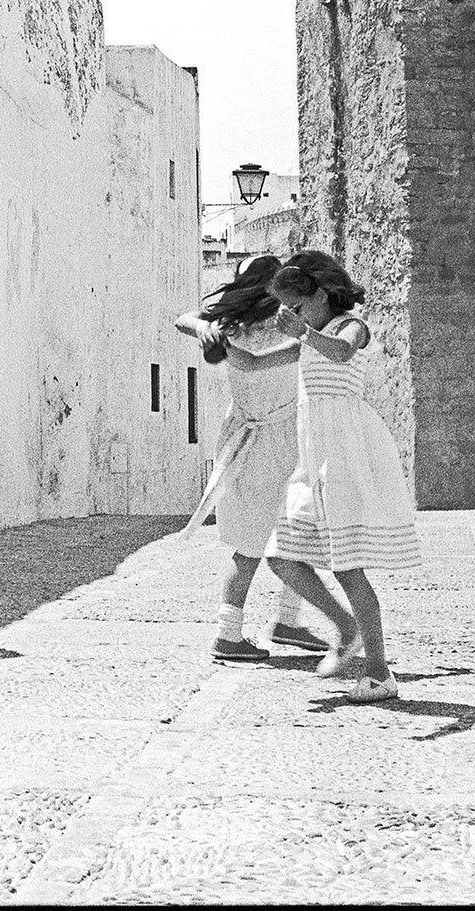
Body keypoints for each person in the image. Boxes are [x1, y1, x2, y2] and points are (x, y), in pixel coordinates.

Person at [264, 249, 422, 703]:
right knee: (282, 555)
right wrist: (218, 338)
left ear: (325, 293)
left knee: (349, 567)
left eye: (299, 304)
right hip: (312, 458)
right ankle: (344, 624)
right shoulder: (308, 335)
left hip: (346, 455)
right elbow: (257, 363)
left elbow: (342, 350)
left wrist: (305, 333)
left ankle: (379, 672)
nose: (292, 313)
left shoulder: (350, 326)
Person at [174, 254, 331, 663]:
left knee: (266, 538)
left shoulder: (230, 327)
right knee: (275, 538)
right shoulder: (291, 329)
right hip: (276, 440)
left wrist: (207, 327)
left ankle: (285, 623)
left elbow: (183, 318)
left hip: (245, 437)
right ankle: (232, 634)